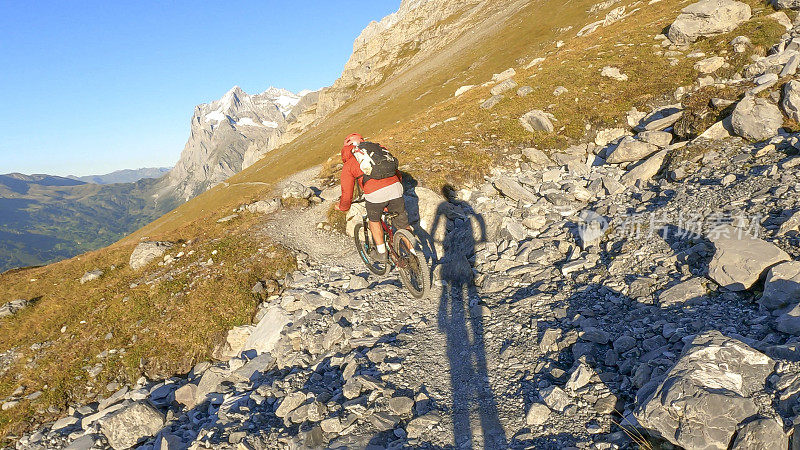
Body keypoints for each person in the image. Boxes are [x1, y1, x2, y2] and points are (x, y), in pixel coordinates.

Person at [335, 133, 410, 261]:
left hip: (375, 192)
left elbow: (347, 193)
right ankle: (413, 252)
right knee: (402, 223)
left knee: (374, 220)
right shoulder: (377, 153)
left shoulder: (349, 163)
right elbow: (396, 172)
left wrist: (343, 207)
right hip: (396, 187)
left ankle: (381, 253)